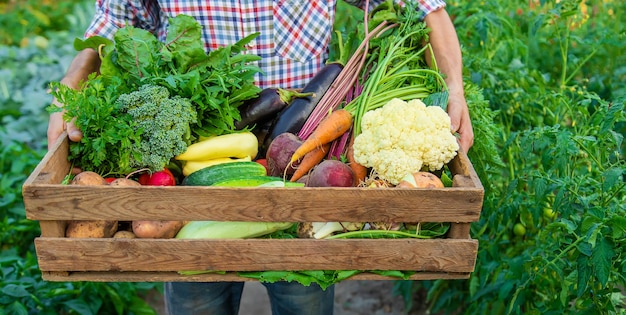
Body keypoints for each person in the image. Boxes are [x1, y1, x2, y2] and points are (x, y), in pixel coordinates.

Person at [47, 1, 474, 314]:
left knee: (303, 298)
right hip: (192, 172)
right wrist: (70, 86)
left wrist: (454, 88)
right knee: (198, 299)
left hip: (300, 177)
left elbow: (424, 7)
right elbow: (114, 22)